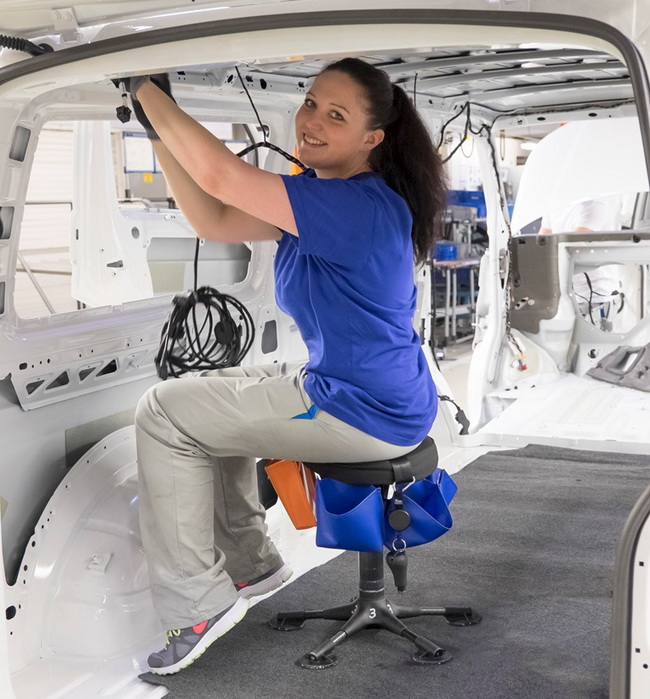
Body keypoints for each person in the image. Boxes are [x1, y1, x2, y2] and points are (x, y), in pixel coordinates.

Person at [128, 57, 446, 675]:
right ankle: (253, 568)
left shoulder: (351, 206)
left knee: (162, 413)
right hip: (370, 392)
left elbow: (220, 175)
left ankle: (197, 604)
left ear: (372, 138)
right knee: (199, 393)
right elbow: (213, 216)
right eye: (310, 103)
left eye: (336, 115)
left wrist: (145, 88)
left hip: (360, 409)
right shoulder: (328, 197)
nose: (311, 121)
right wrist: (155, 129)